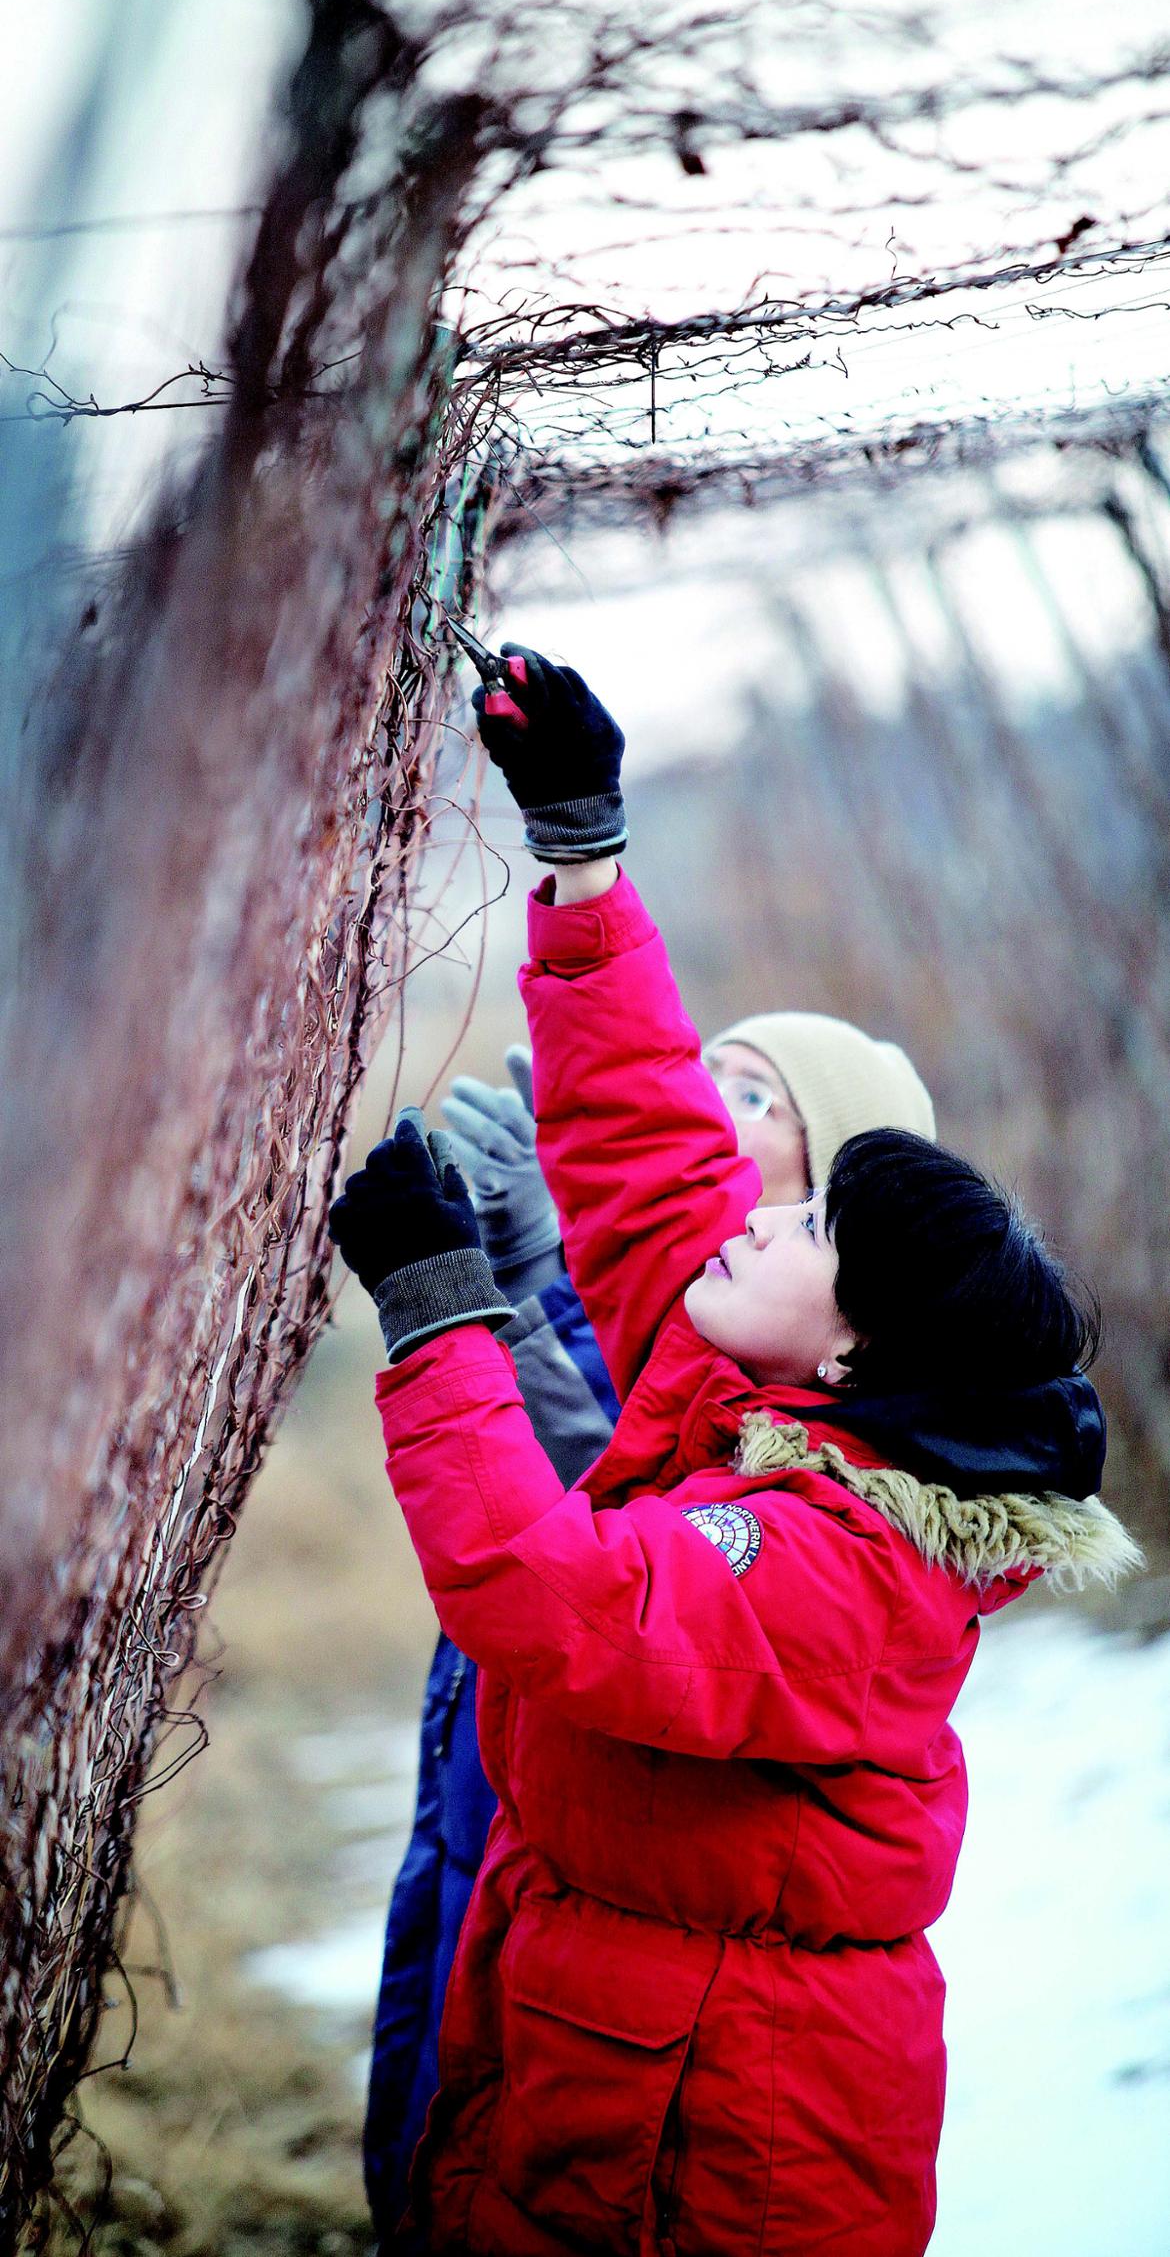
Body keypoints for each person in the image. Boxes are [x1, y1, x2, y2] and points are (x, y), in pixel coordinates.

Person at [331, 645, 1141, 2257]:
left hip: (723, 2149)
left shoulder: (839, 1567)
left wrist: (439, 1313)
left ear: (851, 1351)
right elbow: (649, 1154)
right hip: (620, 2053)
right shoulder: (766, 1390)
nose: (759, 1213)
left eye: (804, 1224)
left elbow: (556, 1597)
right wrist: (581, 851)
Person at [365, 1027, 936, 2248]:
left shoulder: (833, 1502)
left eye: (754, 1096)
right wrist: (540, 1264)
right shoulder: (729, 1319)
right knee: (445, 2063)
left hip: (658, 1986)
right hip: (538, 1817)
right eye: (703, 1071)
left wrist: (487, 1295)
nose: (706, 1108)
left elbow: (601, 1559)